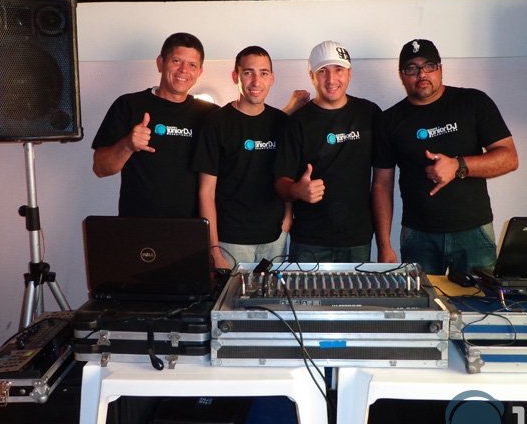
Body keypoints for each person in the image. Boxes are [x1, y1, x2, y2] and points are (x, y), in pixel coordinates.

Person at [372, 38, 518, 275]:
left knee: (481, 298)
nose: (421, 74)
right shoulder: (389, 120)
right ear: (402, 76)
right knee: (422, 299)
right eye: (411, 68)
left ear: (440, 68)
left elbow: (509, 158)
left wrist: (458, 165)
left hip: (474, 232)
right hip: (418, 236)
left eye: (429, 65)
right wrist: (384, 245)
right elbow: (381, 185)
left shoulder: (473, 102)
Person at [274, 40, 381, 263]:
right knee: (303, 289)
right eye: (323, 71)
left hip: (357, 239)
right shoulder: (298, 122)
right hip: (309, 240)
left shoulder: (369, 113)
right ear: (311, 76)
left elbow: (384, 178)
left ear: (349, 73)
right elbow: (280, 182)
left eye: (338, 69)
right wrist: (296, 190)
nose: (331, 79)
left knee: (356, 290)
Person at [92, 32, 218, 217]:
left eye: (192, 65)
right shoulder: (128, 105)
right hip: (139, 225)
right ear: (160, 63)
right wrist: (128, 145)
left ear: (199, 72)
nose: (184, 70)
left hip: (193, 227)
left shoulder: (211, 114)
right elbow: (100, 168)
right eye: (176, 61)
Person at [192, 46, 291, 270]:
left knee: (272, 293)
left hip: (274, 239)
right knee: (231, 295)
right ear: (235, 76)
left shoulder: (282, 122)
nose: (256, 81)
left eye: (263, 73)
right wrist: (214, 250)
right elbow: (206, 191)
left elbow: (287, 176)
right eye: (248, 72)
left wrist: (287, 220)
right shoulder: (216, 123)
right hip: (231, 241)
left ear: (272, 78)